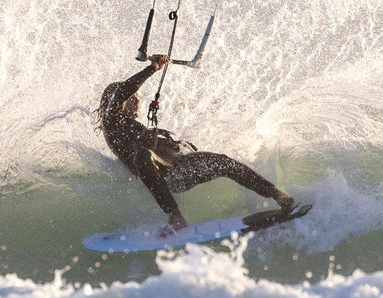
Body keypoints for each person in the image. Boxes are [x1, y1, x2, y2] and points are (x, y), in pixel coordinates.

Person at [95, 54, 295, 232]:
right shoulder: (113, 125)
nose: (137, 101)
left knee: (223, 162)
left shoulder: (136, 126)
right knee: (143, 154)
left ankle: (275, 193)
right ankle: (175, 217)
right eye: (132, 98)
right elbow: (121, 91)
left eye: (137, 98)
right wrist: (151, 69)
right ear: (117, 105)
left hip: (180, 168)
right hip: (163, 177)